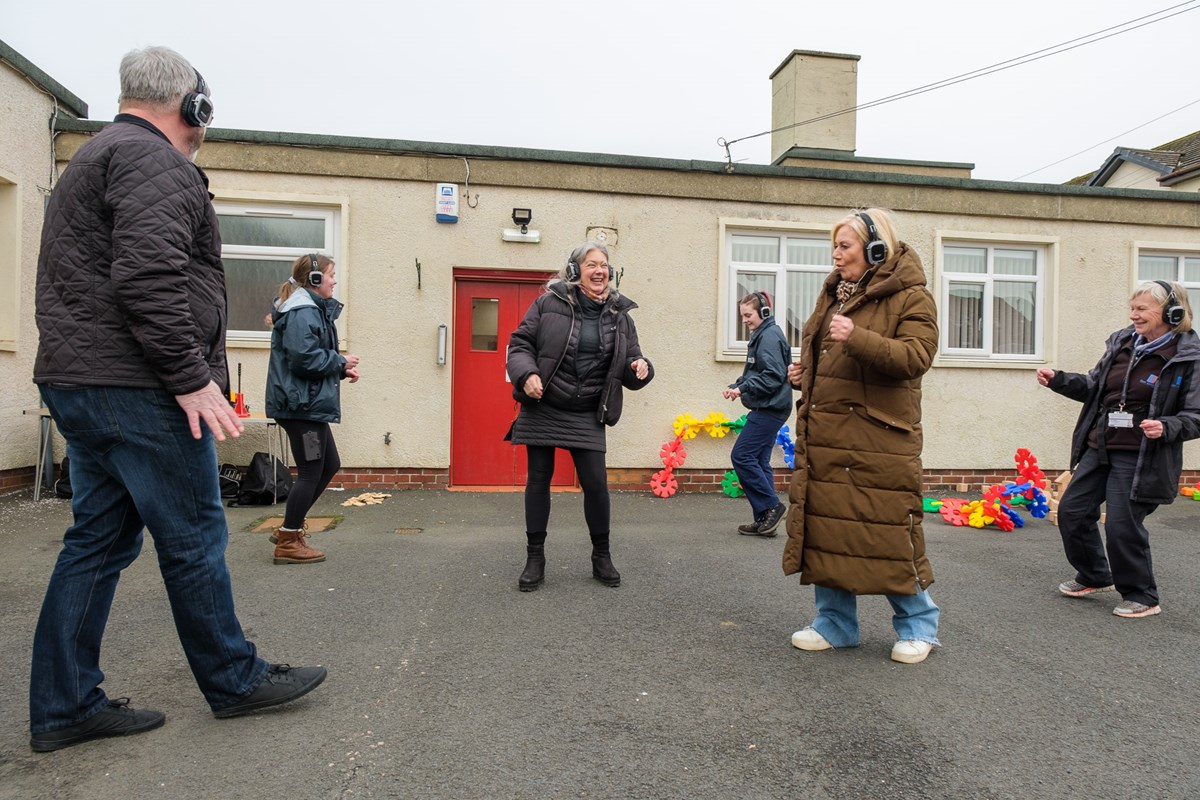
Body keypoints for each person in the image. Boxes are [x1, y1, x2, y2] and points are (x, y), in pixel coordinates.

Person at [29, 46, 326, 752]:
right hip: (138, 389)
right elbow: (147, 279)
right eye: (204, 107)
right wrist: (191, 378)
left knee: (98, 542)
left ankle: (66, 705)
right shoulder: (155, 162)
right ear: (193, 105)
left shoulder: (96, 156)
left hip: (82, 382)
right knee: (195, 537)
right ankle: (234, 680)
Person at [783, 208, 941, 664]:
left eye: (844, 246)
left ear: (876, 248)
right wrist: (804, 373)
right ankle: (835, 625)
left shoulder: (912, 296)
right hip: (829, 436)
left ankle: (919, 627)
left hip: (879, 440)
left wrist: (857, 338)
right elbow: (831, 357)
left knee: (888, 532)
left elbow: (916, 357)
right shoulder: (834, 294)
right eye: (834, 246)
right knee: (829, 530)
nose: (836, 256)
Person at [1036, 280, 1200, 618]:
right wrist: (1059, 380)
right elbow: (1095, 388)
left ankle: (1142, 596)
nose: (1133, 315)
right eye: (1132, 308)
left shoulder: (1188, 357)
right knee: (1072, 512)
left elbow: (1195, 414)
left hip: (1143, 455)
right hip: (1102, 445)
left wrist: (1167, 426)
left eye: (1141, 309)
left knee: (1122, 525)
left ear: (1172, 312)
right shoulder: (1123, 343)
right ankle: (1095, 574)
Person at [506, 242, 654, 591]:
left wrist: (641, 368)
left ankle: (601, 555)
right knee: (539, 480)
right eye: (591, 264)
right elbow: (520, 344)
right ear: (574, 271)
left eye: (604, 264)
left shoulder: (621, 316)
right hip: (544, 405)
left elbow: (632, 363)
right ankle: (535, 558)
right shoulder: (548, 303)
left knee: (596, 484)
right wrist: (526, 375)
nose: (599, 270)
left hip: (587, 410)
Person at [264, 254, 361, 564]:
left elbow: (310, 356)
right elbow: (304, 358)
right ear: (315, 280)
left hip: (305, 403)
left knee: (328, 464)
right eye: (331, 275)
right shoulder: (303, 312)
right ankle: (288, 540)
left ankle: (288, 529)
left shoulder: (310, 310)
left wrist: (340, 369)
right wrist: (340, 362)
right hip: (300, 407)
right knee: (310, 472)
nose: (334, 281)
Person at [723, 291, 792, 537]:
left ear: (764, 312)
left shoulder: (770, 336)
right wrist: (738, 386)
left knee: (741, 455)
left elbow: (773, 376)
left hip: (771, 408)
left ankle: (771, 507)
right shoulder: (762, 335)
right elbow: (757, 373)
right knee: (760, 460)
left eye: (748, 315)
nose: (745, 320)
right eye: (742, 315)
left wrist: (744, 387)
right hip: (769, 405)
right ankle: (765, 519)